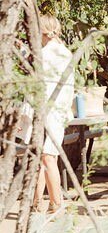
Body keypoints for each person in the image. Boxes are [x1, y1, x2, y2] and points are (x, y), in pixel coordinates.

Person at [33, 14, 75, 213]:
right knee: (46, 155)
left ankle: (56, 204)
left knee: (48, 156)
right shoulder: (64, 52)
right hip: (59, 109)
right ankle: (35, 201)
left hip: (49, 110)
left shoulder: (44, 55)